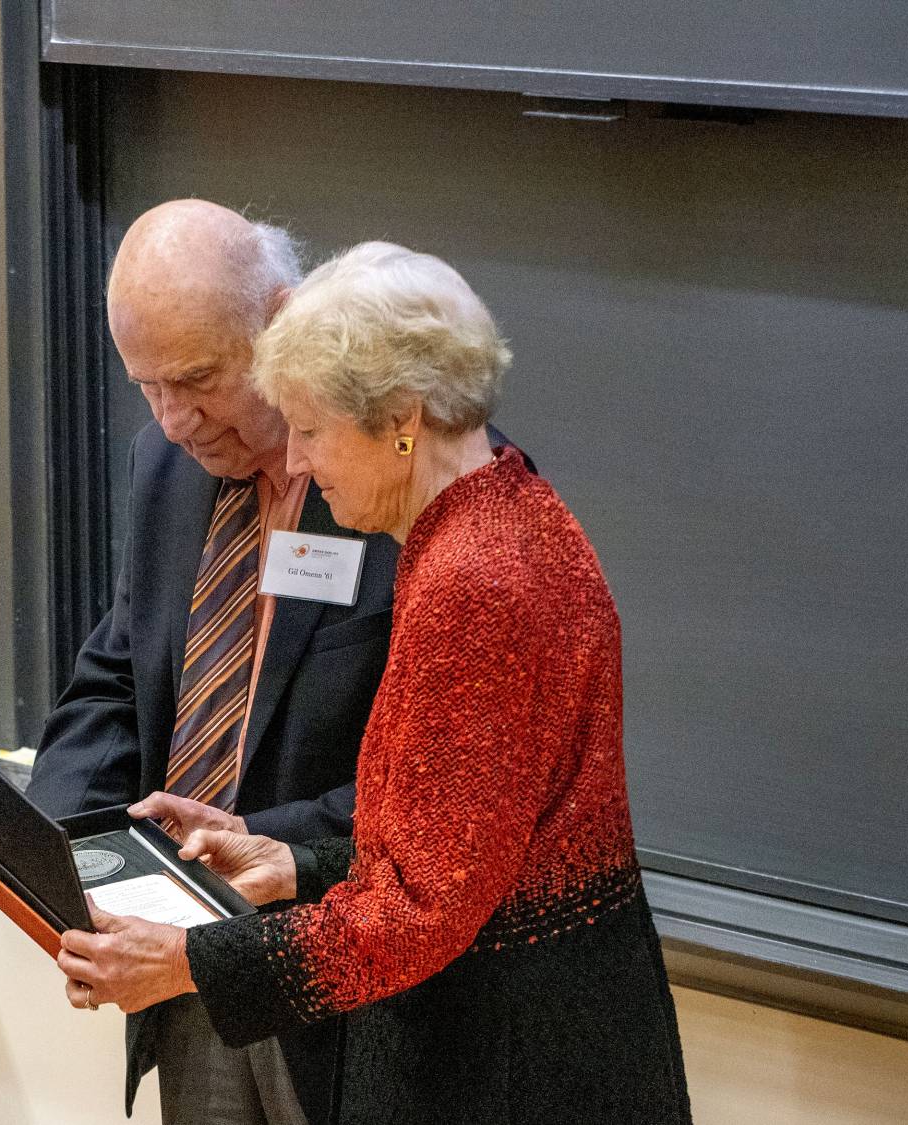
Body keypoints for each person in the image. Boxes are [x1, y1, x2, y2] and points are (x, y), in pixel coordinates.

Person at [55, 242, 692, 1123]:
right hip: (516, 1032)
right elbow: (461, 838)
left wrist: (187, 962)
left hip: (505, 1062)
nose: (302, 465)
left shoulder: (477, 580)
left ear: (400, 419)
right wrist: (290, 859)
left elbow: (422, 912)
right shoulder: (497, 518)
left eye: (311, 431)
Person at [7, 199, 404, 1125]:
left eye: (196, 378)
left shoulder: (400, 485)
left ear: (281, 318)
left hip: (342, 979)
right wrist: (49, 850)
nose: (174, 417)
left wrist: (262, 862)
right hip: (183, 966)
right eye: (147, 384)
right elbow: (119, 670)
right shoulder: (167, 462)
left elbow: (423, 779)